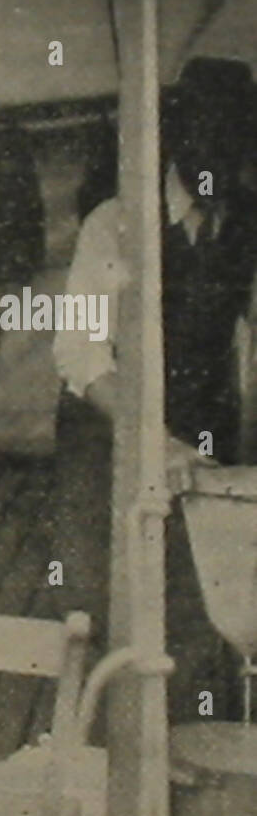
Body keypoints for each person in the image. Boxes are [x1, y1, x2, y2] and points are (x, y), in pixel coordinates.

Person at [51, 57, 257, 723]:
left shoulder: (245, 218)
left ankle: (188, 754)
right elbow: (79, 354)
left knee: (201, 597)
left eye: (239, 145)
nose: (224, 166)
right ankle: (96, 764)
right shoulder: (113, 223)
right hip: (105, 424)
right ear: (180, 140)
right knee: (100, 599)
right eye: (212, 142)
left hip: (201, 426)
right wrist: (153, 442)